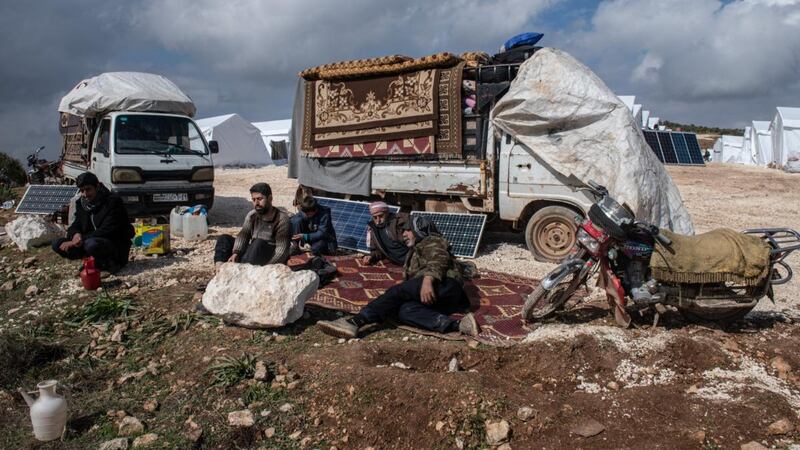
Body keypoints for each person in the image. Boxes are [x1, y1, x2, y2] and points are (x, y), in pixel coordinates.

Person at [317, 216, 479, 338]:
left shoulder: (432, 241)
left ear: (418, 230)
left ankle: (356, 321)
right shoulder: (417, 249)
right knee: (405, 311)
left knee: (398, 291)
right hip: (444, 299)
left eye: (407, 231)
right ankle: (458, 325)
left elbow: (438, 259)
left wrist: (428, 280)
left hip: (445, 284)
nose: (404, 235)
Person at [52, 172, 134, 273]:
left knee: (91, 244)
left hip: (115, 246)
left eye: (88, 189)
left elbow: (108, 230)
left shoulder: (112, 202)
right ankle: (92, 261)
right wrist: (75, 234)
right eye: (82, 191)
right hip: (88, 241)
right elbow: (77, 223)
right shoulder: (83, 203)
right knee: (57, 244)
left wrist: (80, 239)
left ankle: (109, 264)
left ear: (97, 186)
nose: (85, 194)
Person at [214, 182, 291, 269]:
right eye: (254, 200)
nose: (256, 203)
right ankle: (220, 270)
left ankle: (242, 270)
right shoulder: (252, 215)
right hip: (252, 253)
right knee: (224, 239)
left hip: (268, 257)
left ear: (270, 198)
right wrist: (236, 253)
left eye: (259, 199)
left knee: (258, 243)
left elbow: (281, 250)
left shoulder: (281, 219)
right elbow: (244, 235)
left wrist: (268, 268)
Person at [361, 201, 410, 266]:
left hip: (412, 260)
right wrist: (371, 256)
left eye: (380, 216)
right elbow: (377, 250)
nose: (378, 220)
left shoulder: (400, 221)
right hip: (396, 262)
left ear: (387, 213)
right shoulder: (373, 229)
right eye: (375, 217)